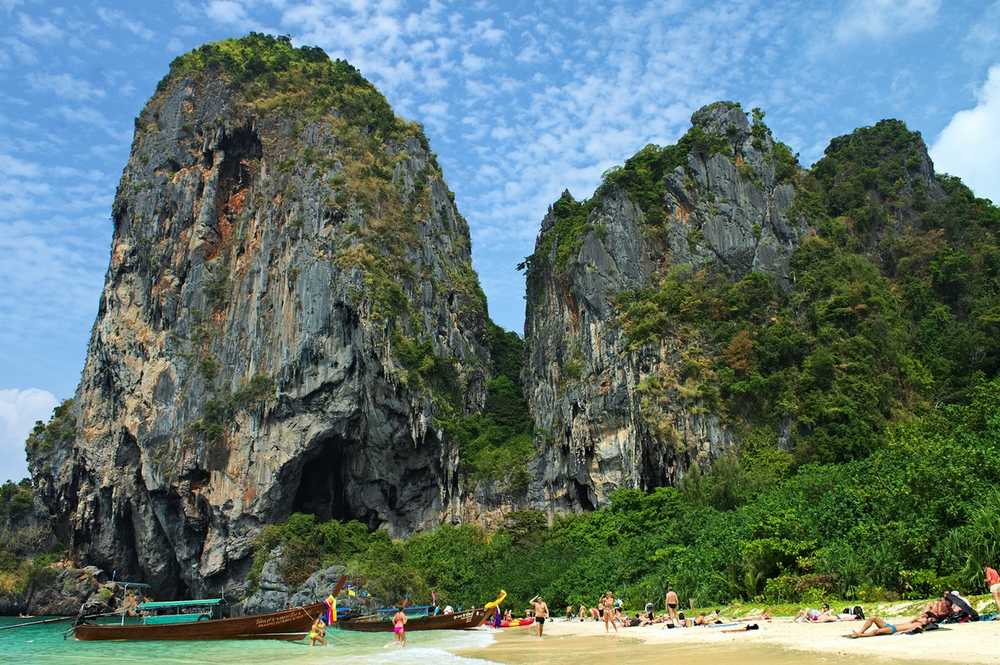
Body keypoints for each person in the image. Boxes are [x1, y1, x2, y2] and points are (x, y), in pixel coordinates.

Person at [850, 615, 928, 638]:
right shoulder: (915, 621)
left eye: (925, 619)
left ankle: (859, 635)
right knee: (873, 617)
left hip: (893, 629)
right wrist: (917, 618)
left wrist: (918, 629)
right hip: (890, 625)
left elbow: (917, 630)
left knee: (876, 631)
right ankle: (860, 632)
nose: (923, 619)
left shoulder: (919, 625)